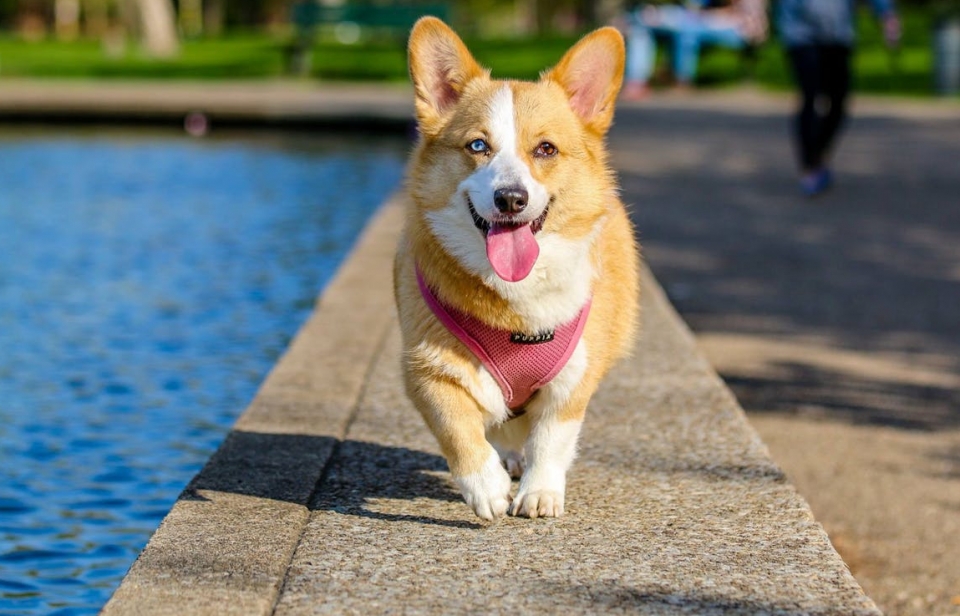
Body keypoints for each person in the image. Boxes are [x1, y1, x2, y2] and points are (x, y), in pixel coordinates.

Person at [777, 0, 901, 196]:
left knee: (839, 101)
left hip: (838, 33)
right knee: (810, 95)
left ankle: (819, 154)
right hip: (800, 33)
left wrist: (886, 15)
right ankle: (810, 166)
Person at [622, 0, 768, 98]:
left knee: (687, 30)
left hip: (741, 27)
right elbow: (693, 7)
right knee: (640, 23)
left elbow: (731, 11)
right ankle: (636, 82)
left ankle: (680, 79)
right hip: (702, 19)